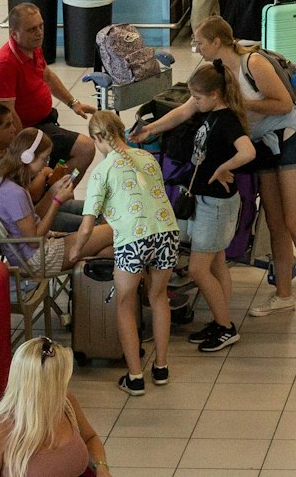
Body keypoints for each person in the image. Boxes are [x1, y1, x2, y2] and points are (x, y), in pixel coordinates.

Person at [193, 19, 296, 326]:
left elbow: (284, 104)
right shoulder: (218, 71)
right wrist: (151, 128)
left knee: (295, 219)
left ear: (217, 42)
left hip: (291, 140)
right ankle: (283, 294)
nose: (196, 47)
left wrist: (238, 103)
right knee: (275, 221)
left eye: (199, 42)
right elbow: (190, 105)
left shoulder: (252, 62)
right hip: (263, 145)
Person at [63, 113, 179, 397]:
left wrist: (76, 251)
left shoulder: (102, 171)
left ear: (98, 137)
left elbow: (87, 225)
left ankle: (135, 377)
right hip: (166, 231)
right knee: (158, 297)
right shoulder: (147, 157)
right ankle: (161, 368)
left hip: (133, 239)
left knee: (125, 304)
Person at [145, 65, 255, 354]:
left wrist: (222, 168)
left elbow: (248, 152)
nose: (194, 102)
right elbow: (182, 114)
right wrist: (150, 129)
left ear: (215, 94)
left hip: (216, 204)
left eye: (197, 97)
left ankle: (226, 328)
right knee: (216, 262)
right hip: (207, 200)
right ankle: (221, 320)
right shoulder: (210, 112)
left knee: (197, 268)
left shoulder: (227, 121)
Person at [0, 338, 111, 477]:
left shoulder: (66, 403)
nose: (66, 384)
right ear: (43, 386)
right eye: (60, 379)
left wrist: (101, 467)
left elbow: (91, 438)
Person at [0, 4, 98, 171]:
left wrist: (73, 103)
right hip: (27, 131)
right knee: (85, 148)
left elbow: (47, 76)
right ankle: (54, 186)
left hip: (44, 123)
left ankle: (55, 182)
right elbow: (7, 113)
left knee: (68, 158)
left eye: (41, 26)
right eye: (32, 29)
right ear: (14, 34)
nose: (39, 33)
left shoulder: (32, 48)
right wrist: (27, 146)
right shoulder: (4, 65)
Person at [0, 128, 83, 275]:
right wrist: (57, 202)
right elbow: (34, 241)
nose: (46, 164)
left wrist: (52, 192)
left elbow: (33, 217)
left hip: (30, 254)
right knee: (109, 233)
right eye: (44, 158)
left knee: (105, 247)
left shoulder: (3, 181)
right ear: (27, 157)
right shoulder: (14, 193)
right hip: (36, 259)